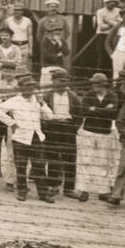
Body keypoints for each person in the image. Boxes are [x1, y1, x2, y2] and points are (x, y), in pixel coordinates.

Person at [0, 74, 56, 202]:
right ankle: (22, 191)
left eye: (32, 86)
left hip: (36, 136)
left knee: (39, 166)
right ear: (21, 88)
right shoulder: (14, 100)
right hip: (20, 138)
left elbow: (50, 117)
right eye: (28, 86)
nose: (31, 89)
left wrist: (42, 103)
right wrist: (12, 123)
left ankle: (43, 193)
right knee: (21, 166)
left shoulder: (37, 100)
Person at [42, 68, 84, 200]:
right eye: (60, 81)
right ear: (53, 81)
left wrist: (74, 128)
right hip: (52, 128)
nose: (63, 83)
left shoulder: (73, 96)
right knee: (52, 158)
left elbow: (79, 113)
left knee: (70, 158)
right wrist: (46, 128)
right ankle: (54, 186)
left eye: (66, 81)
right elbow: (41, 113)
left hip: (68, 128)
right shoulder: (47, 96)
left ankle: (69, 188)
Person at [76, 73, 119, 200]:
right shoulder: (89, 95)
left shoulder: (112, 95)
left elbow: (113, 113)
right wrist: (103, 110)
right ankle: (84, 190)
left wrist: (94, 109)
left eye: (97, 84)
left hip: (105, 132)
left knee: (103, 161)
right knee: (86, 160)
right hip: (88, 130)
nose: (94, 86)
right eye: (93, 83)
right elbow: (83, 110)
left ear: (104, 84)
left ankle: (103, 191)